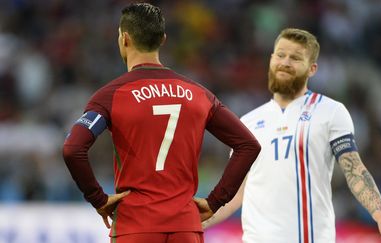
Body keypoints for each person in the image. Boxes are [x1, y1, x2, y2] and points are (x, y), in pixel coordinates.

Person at [62, 3, 260, 243]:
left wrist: (98, 199)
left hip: (135, 225)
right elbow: (248, 145)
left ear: (124, 39)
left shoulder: (111, 94)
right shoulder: (199, 94)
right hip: (185, 226)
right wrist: (216, 200)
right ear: (163, 40)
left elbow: (72, 149)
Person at [195, 28, 381, 243]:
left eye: (296, 58)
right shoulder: (247, 122)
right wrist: (197, 222)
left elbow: (353, 167)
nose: (286, 62)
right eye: (281, 55)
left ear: (312, 69)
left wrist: (379, 212)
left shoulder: (330, 111)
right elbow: (237, 191)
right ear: (271, 59)